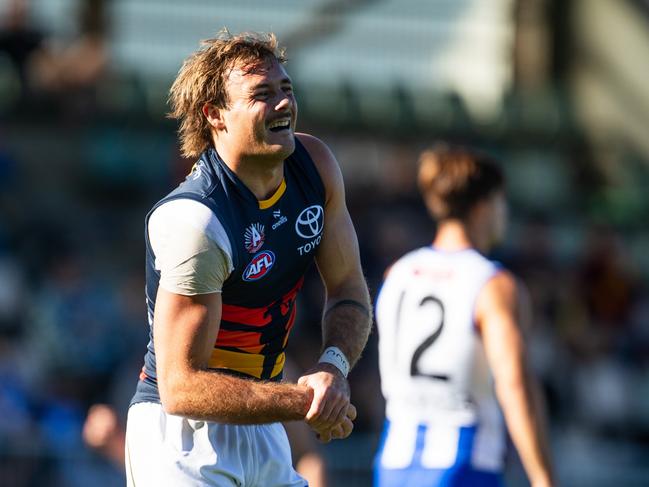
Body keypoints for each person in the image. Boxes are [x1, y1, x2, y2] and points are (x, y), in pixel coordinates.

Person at [125, 31, 372, 486]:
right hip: (182, 440)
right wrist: (308, 402)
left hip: (265, 428)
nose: (283, 104)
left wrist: (331, 368)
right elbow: (181, 388)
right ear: (215, 115)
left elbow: (348, 287)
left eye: (286, 89)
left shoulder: (314, 166)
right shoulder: (195, 219)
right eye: (261, 94)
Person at [373, 145, 555, 487]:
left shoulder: (397, 273)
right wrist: (544, 477)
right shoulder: (492, 283)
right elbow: (515, 383)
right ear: (484, 205)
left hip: (394, 461)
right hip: (465, 459)